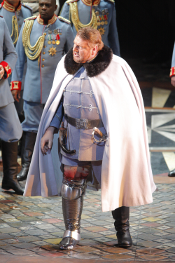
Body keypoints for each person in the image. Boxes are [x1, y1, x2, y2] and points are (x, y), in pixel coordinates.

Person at [24, 27, 156, 250]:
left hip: (104, 140)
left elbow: (124, 109)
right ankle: (71, 232)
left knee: (118, 181)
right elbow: (59, 103)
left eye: (80, 47)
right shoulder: (66, 66)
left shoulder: (116, 68)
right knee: (71, 183)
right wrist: (50, 129)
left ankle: (123, 231)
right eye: (74, 44)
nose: (73, 50)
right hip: (72, 137)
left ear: (95, 48)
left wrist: (116, 133)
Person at [11, 0, 74, 182]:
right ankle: (26, 167)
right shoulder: (28, 25)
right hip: (31, 88)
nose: (43, 8)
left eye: (47, 5)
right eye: (41, 4)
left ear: (55, 6)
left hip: (54, 89)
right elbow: (19, 57)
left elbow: (72, 59)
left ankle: (54, 169)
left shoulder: (65, 27)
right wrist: (16, 84)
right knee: (30, 128)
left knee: (54, 128)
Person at [0, 16, 23, 195]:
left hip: (1, 90)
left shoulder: (0, 21)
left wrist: (4, 67)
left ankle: (10, 178)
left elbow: (11, 53)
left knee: (13, 131)